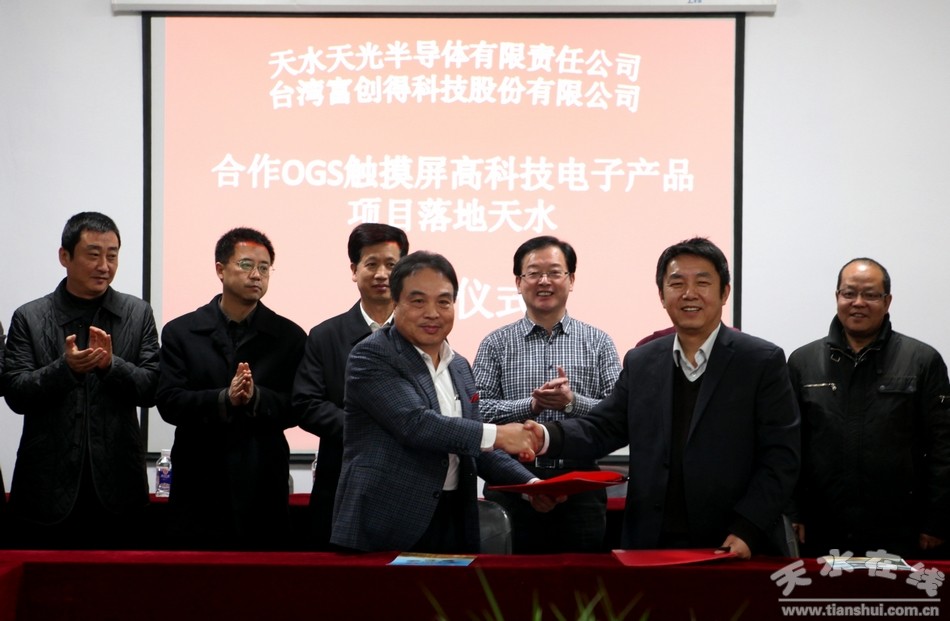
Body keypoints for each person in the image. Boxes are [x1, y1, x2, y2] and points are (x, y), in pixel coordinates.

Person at [530, 237, 800, 559]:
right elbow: (602, 428)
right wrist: (542, 436)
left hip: (731, 542)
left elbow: (781, 457)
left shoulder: (760, 361)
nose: (689, 294)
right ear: (661, 295)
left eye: (702, 282)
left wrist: (747, 528)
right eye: (677, 283)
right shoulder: (642, 361)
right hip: (651, 544)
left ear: (724, 292)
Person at [331, 251, 555, 553]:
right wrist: (500, 435)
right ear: (395, 302)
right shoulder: (372, 355)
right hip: (387, 523)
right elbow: (416, 424)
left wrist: (531, 486)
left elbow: (474, 444)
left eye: (444, 302)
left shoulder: (459, 366)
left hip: (453, 518)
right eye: (418, 301)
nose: (432, 313)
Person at [0, 212, 159, 549]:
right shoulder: (30, 317)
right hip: (45, 491)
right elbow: (15, 392)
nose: (104, 266)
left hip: (119, 488)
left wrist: (111, 366)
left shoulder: (137, 314)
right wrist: (66, 369)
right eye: (93, 254)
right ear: (65, 256)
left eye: (112, 255)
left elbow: (151, 388)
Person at [787, 258, 950, 558]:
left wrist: (937, 520)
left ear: (887, 301)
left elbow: (943, 449)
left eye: (871, 295)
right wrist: (793, 512)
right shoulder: (802, 362)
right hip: (822, 528)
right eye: (849, 293)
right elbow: (789, 447)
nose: (858, 302)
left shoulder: (923, 361)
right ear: (837, 296)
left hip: (901, 530)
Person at [156, 227, 306, 550]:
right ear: (220, 270)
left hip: (262, 476)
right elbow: (169, 401)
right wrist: (224, 398)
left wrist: (255, 397)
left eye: (264, 268)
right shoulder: (182, 332)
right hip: (199, 478)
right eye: (246, 265)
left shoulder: (289, 336)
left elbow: (299, 406)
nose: (256, 275)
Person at [473, 235, 621, 553]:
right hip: (512, 481)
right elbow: (478, 412)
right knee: (508, 579)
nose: (544, 281)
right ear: (518, 282)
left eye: (554, 272)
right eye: (533, 273)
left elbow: (619, 413)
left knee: (582, 578)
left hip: (580, 483)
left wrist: (572, 403)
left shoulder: (599, 343)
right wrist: (531, 406)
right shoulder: (495, 343)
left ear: (571, 279)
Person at [292, 223, 409, 550]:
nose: (382, 274)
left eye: (391, 265)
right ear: (354, 270)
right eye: (372, 264)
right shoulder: (326, 335)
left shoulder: (423, 334)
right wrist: (363, 428)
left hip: (407, 482)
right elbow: (306, 404)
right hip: (342, 479)